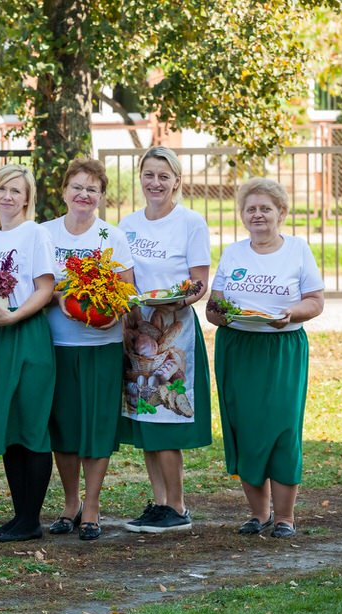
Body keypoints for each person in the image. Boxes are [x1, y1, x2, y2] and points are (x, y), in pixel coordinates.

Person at [206, 178, 324, 539]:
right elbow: (213, 307)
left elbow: (315, 301)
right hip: (237, 348)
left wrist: (291, 313)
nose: (258, 215)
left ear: (281, 213)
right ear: (242, 215)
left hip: (281, 349)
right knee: (244, 426)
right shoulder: (233, 253)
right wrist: (222, 315)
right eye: (251, 209)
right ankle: (258, 514)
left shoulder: (298, 250)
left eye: (265, 208)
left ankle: (285, 517)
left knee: (283, 428)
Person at [118, 147, 212, 533]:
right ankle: (159, 504)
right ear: (140, 177)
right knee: (145, 416)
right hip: (137, 332)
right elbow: (124, 280)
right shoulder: (127, 224)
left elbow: (199, 284)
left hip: (174, 333)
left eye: (163, 176)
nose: (155, 183)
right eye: (149, 175)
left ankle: (177, 505)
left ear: (176, 181)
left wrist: (176, 300)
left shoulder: (190, 223)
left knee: (166, 419)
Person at [42, 158, 134, 541]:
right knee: (63, 426)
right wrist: (59, 296)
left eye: (92, 189)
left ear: (101, 196)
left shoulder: (111, 236)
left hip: (101, 345)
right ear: (64, 191)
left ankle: (92, 507)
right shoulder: (44, 233)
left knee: (97, 426)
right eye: (77, 187)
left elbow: (128, 290)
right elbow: (35, 285)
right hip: (57, 344)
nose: (83, 194)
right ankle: (70, 504)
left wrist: (116, 315)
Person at [0, 164, 57, 542]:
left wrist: (14, 316)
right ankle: (19, 515)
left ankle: (31, 520)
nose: (7, 196)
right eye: (2, 189)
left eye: (16, 191)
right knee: (8, 426)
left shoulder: (35, 234)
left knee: (31, 426)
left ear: (27, 198)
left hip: (26, 333)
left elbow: (45, 288)